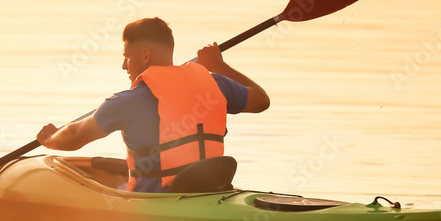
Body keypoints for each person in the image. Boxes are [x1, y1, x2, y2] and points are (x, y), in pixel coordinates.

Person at [36, 17, 269, 192]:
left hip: (154, 201)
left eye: (126, 56)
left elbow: (75, 136)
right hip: (210, 193)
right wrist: (220, 66)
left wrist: (50, 139)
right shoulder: (215, 83)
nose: (123, 66)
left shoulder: (125, 102)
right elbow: (261, 100)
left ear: (145, 55)